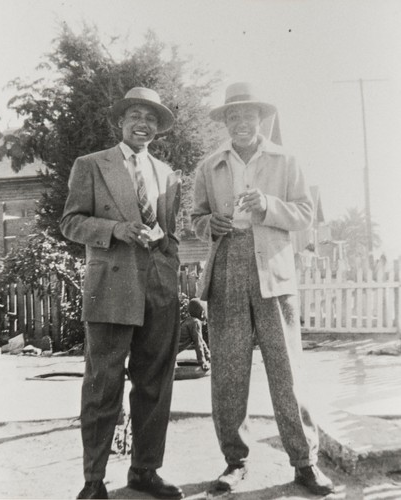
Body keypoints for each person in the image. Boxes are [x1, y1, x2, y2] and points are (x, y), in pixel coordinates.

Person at [191, 82, 335, 496]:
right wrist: (209, 225)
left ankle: (305, 463)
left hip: (273, 268)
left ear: (261, 118)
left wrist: (267, 206)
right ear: (225, 121)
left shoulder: (286, 160)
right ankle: (235, 462)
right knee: (230, 373)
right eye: (232, 116)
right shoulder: (210, 165)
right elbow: (198, 217)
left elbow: (306, 213)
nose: (240, 122)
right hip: (228, 268)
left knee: (286, 370)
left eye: (248, 115)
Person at [60, 87, 184, 500]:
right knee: (103, 385)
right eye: (135, 115)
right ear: (120, 121)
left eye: (151, 118)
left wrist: (169, 265)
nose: (143, 124)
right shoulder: (92, 165)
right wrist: (114, 229)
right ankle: (93, 481)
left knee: (154, 383)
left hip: (159, 289)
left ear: (157, 127)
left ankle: (144, 471)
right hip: (112, 286)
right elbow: (71, 223)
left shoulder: (167, 175)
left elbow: (171, 234)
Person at [178, 298, 211, 370]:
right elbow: (198, 343)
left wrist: (208, 355)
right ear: (202, 314)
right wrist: (202, 362)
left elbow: (201, 340)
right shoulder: (195, 322)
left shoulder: (190, 321)